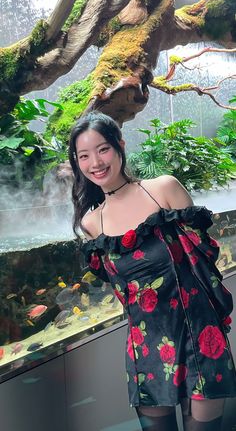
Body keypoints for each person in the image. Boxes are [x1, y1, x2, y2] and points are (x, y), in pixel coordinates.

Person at [69, 111, 236, 431]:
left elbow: (204, 259)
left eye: (102, 149)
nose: (95, 163)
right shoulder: (92, 224)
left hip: (198, 336)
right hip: (145, 345)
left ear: (120, 145)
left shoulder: (164, 189)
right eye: (84, 156)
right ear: (77, 163)